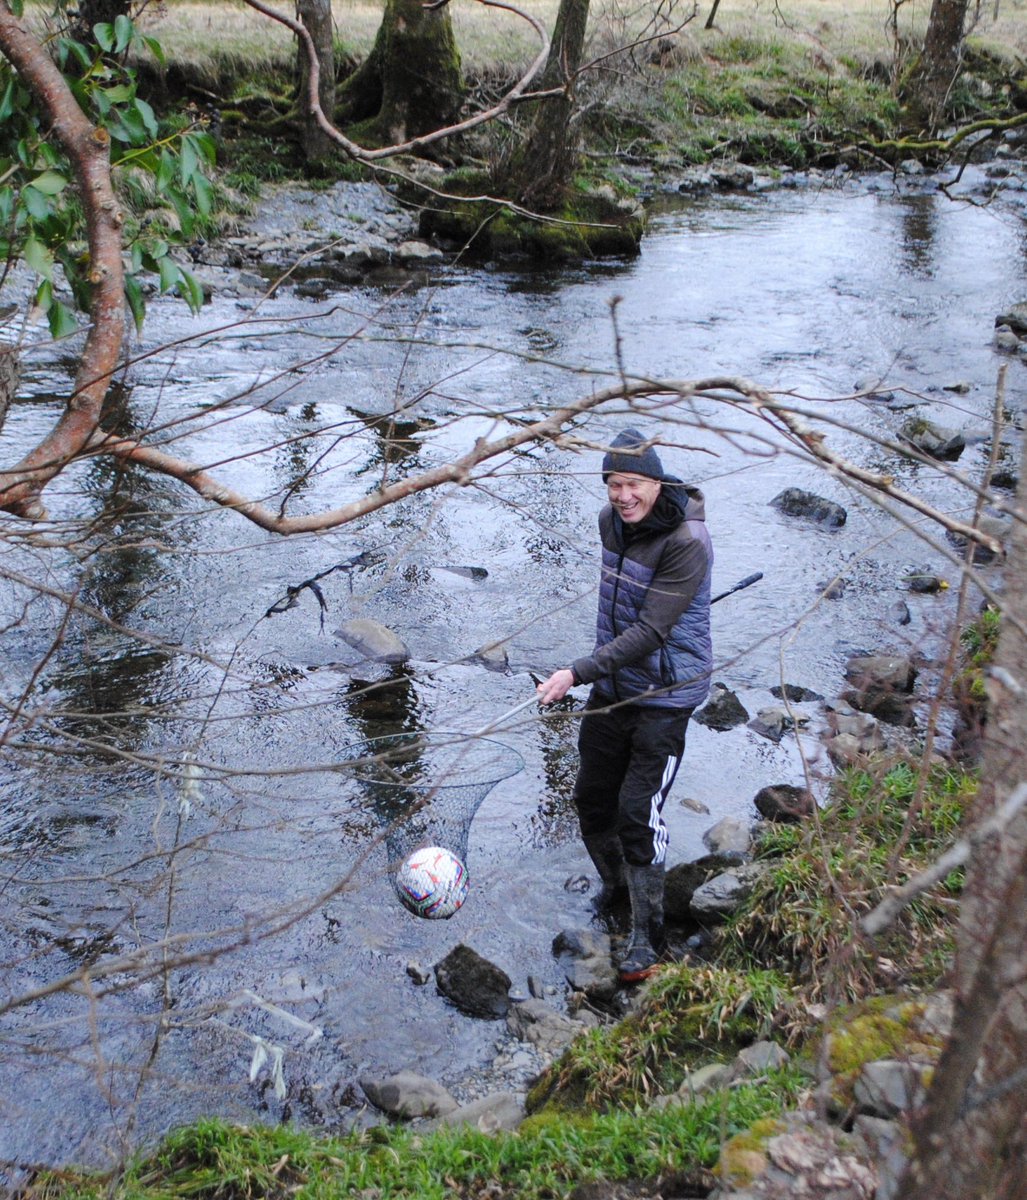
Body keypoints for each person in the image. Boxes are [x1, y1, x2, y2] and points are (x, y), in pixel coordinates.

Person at [536, 427, 713, 982]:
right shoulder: (610, 523)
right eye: (614, 484)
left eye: (633, 483)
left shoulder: (688, 542)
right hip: (614, 687)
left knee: (639, 812)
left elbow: (651, 630)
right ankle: (617, 891)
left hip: (665, 692)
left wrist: (575, 672)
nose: (623, 496)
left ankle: (649, 938)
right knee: (591, 797)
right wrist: (595, 673)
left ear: (656, 482)